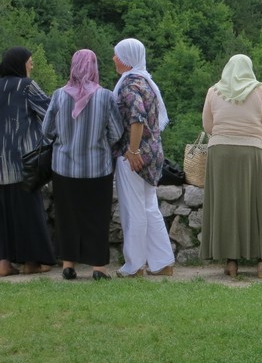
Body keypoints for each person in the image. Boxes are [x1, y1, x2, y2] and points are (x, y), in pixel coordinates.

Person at [200, 54, 262, 278]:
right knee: (259, 203)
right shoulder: (259, 90)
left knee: (227, 205)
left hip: (220, 153)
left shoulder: (213, 91)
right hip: (253, 152)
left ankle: (231, 263)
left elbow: (208, 126)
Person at [43, 49, 123, 281]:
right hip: (97, 168)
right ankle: (98, 268)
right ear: (94, 67)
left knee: (67, 217)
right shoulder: (106, 96)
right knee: (96, 217)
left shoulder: (58, 95)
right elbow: (116, 133)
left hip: (64, 167)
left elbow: (47, 131)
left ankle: (68, 265)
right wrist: (97, 142)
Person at [112, 38, 175, 277]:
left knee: (133, 209)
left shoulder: (129, 85)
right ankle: (163, 262)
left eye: (117, 55)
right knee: (150, 207)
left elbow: (136, 119)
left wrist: (133, 149)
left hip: (134, 154)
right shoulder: (147, 81)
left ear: (127, 59)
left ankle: (135, 265)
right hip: (154, 151)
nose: (114, 59)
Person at [0, 47, 56, 277]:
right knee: (29, 212)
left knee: (3, 215)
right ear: (20, 64)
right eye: (29, 62)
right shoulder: (26, 86)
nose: (31, 66)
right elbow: (49, 112)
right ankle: (31, 262)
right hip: (23, 161)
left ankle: (3, 263)